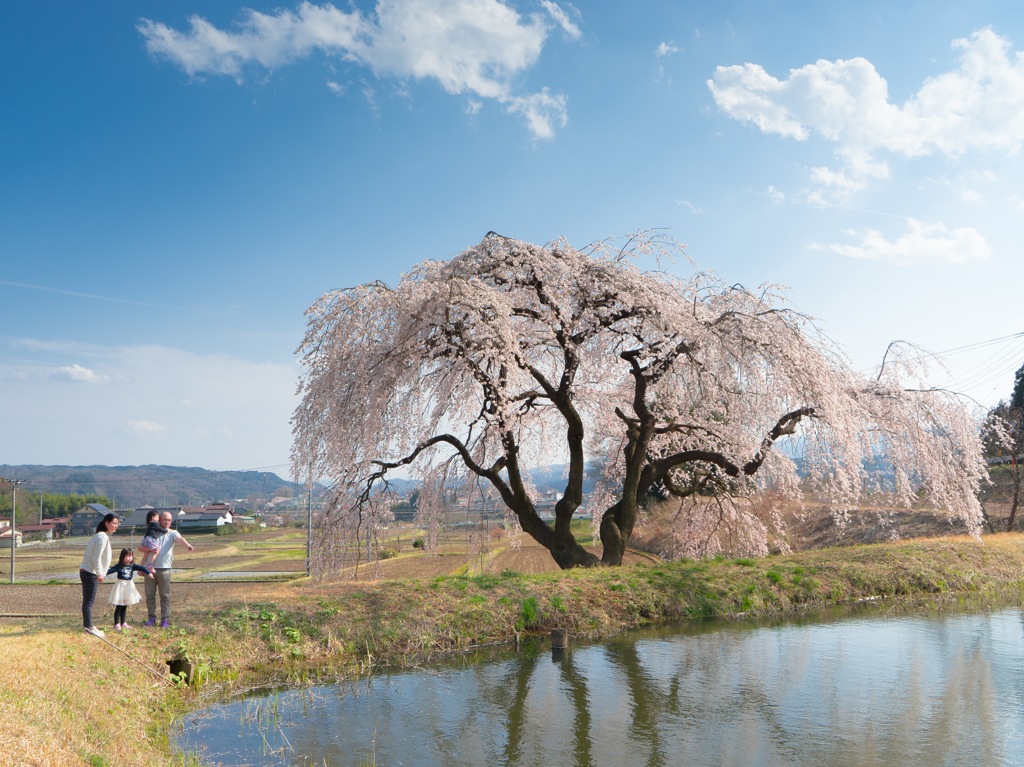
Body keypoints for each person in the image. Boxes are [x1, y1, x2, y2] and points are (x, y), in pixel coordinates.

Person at [143, 510, 195, 628]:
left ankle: (165, 620)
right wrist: (150, 550)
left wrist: (187, 545)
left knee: (165, 595)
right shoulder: (151, 531)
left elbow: (180, 539)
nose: (167, 522)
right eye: (165, 519)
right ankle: (151, 618)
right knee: (150, 595)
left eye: (169, 520)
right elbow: (141, 547)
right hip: (150, 569)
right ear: (159, 519)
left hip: (165, 568)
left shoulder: (172, 533)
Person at [79, 513, 119, 638]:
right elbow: (96, 557)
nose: (115, 526)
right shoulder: (102, 537)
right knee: (89, 602)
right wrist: (100, 573)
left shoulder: (99, 536)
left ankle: (88, 627)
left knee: (88, 601)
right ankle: (89, 627)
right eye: (114, 523)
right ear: (106, 523)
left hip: (87, 571)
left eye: (117, 523)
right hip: (90, 572)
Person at [106, 547, 153, 630]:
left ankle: (123, 623)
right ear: (122, 557)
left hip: (129, 587)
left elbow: (142, 568)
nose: (129, 558)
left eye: (131, 556)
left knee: (125, 605)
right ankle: (116, 623)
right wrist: (100, 574)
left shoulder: (132, 566)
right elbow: (110, 571)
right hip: (120, 586)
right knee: (119, 605)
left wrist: (148, 573)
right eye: (127, 556)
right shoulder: (119, 566)